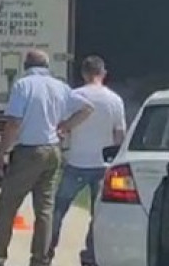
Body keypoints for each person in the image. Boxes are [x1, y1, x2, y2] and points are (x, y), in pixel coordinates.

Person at [0, 50, 94, 266]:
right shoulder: (60, 86)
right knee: (45, 210)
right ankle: (40, 259)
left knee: (8, 205)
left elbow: (13, 123)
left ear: (26, 65)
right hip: (53, 150)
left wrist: (1, 154)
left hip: (29, 151)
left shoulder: (23, 85)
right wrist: (66, 127)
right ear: (47, 65)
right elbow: (88, 107)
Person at [48, 56, 126, 266]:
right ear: (103, 74)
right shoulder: (115, 100)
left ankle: (46, 252)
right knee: (98, 215)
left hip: (76, 162)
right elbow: (119, 135)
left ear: (83, 73)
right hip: (102, 165)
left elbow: (61, 128)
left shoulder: (74, 96)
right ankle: (90, 256)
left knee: (57, 209)